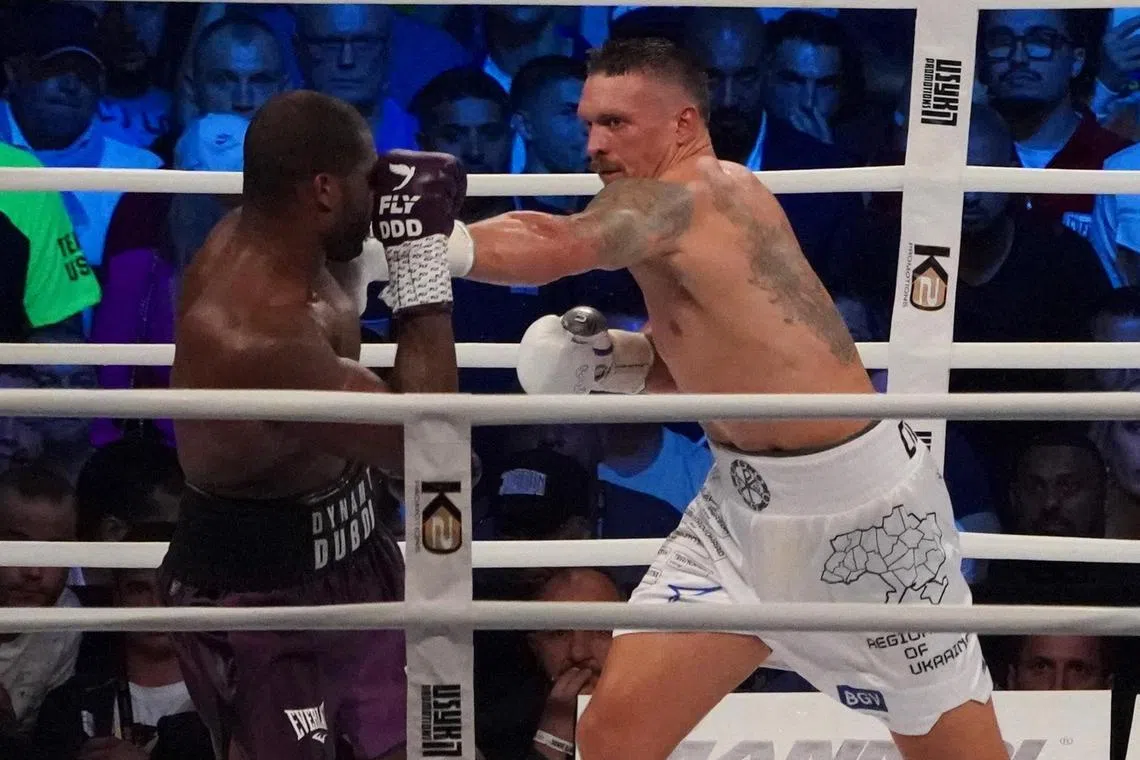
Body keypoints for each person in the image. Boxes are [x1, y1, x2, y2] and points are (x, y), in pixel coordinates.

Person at [434, 37, 1004, 759]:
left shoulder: (680, 196)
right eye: (587, 123)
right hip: (739, 511)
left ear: (682, 123)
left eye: (616, 123)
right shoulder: (697, 208)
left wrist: (436, 244)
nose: (594, 144)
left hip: (865, 523)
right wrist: (615, 364)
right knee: (612, 735)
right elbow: (723, 362)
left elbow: (558, 241)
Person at [157, 90, 464, 760]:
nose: (378, 191)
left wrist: (420, 233)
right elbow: (431, 449)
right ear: (323, 190)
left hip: (356, 548)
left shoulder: (280, 238)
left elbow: (350, 269)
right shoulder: (254, 335)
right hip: (259, 596)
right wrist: (420, 265)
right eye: (366, 178)